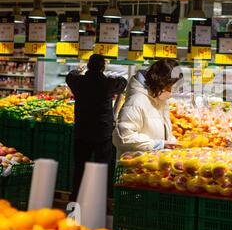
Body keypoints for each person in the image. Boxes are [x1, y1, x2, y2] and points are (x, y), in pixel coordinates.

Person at [66, 54, 128, 201]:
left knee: (80, 166)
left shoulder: (78, 82)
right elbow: (123, 82)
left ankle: (76, 198)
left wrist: (77, 70)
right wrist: (112, 78)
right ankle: (99, 199)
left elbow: (69, 76)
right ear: (103, 67)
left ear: (88, 66)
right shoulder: (107, 83)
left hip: (82, 131)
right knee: (102, 167)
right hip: (102, 132)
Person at [113, 58, 183, 158]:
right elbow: (123, 137)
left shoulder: (160, 101)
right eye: (169, 87)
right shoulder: (137, 101)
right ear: (160, 82)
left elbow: (164, 132)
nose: (171, 91)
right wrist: (158, 145)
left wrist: (172, 143)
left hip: (152, 165)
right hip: (135, 167)